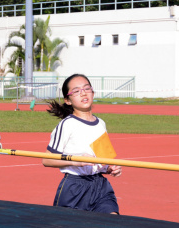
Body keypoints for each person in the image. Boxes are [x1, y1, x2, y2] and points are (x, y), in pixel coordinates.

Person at [42, 74, 122, 214]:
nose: (83, 93)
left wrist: (109, 168)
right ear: (68, 100)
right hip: (74, 188)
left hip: (100, 186)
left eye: (86, 88)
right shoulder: (67, 125)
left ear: (93, 92)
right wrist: (76, 162)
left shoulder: (101, 124)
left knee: (112, 221)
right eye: (76, 91)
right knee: (70, 227)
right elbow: (47, 160)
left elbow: (102, 159)